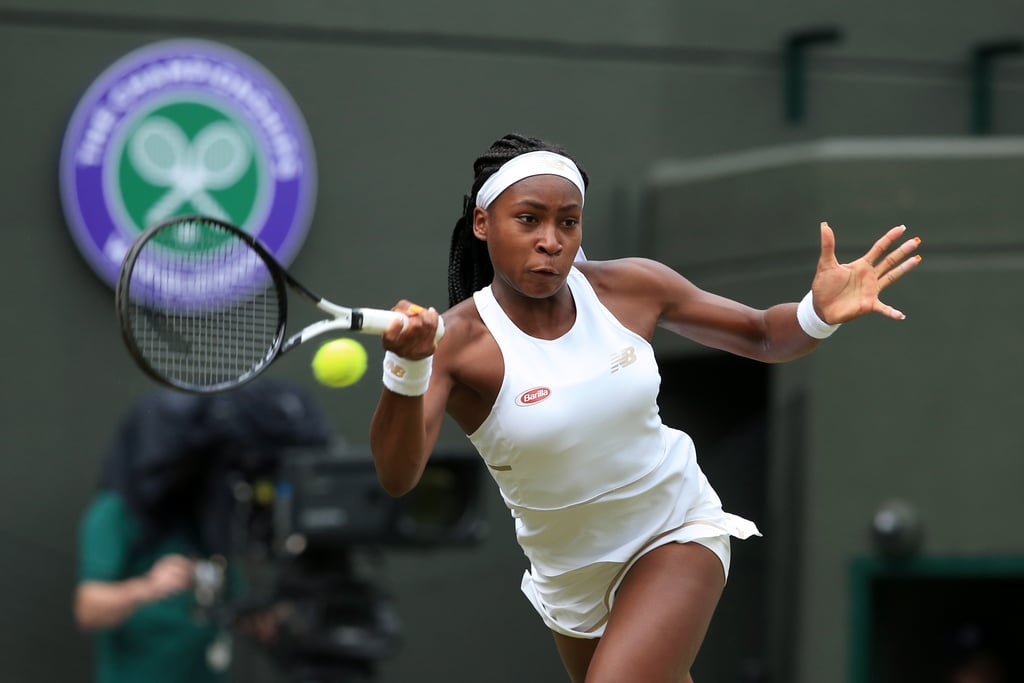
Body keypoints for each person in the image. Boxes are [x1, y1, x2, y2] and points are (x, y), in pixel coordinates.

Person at [369, 132, 922, 682]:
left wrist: (817, 312)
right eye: (529, 219)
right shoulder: (456, 343)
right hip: (568, 575)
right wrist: (405, 369)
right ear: (483, 223)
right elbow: (398, 476)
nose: (551, 240)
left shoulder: (629, 287)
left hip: (673, 528)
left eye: (568, 221)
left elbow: (762, 334)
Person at [75, 379, 333, 683]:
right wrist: (146, 587)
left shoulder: (212, 521)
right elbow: (88, 607)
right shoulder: (114, 513)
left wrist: (264, 619)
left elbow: (229, 603)